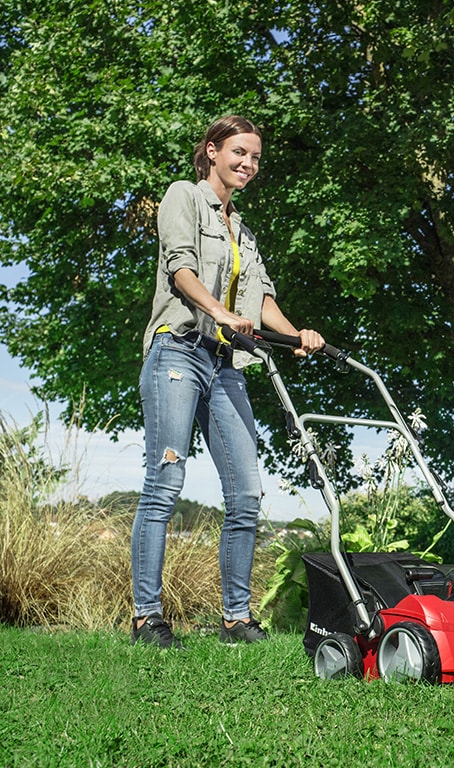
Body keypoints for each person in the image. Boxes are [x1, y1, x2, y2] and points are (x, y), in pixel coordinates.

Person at [130, 116, 324, 648]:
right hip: (179, 347)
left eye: (256, 157)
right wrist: (220, 312)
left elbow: (260, 302)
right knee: (165, 482)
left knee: (245, 491)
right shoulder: (184, 198)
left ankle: (236, 620)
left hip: (227, 365)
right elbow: (180, 270)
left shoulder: (243, 230)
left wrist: (298, 332)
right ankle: (147, 616)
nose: (248, 164)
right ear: (212, 151)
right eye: (239, 152)